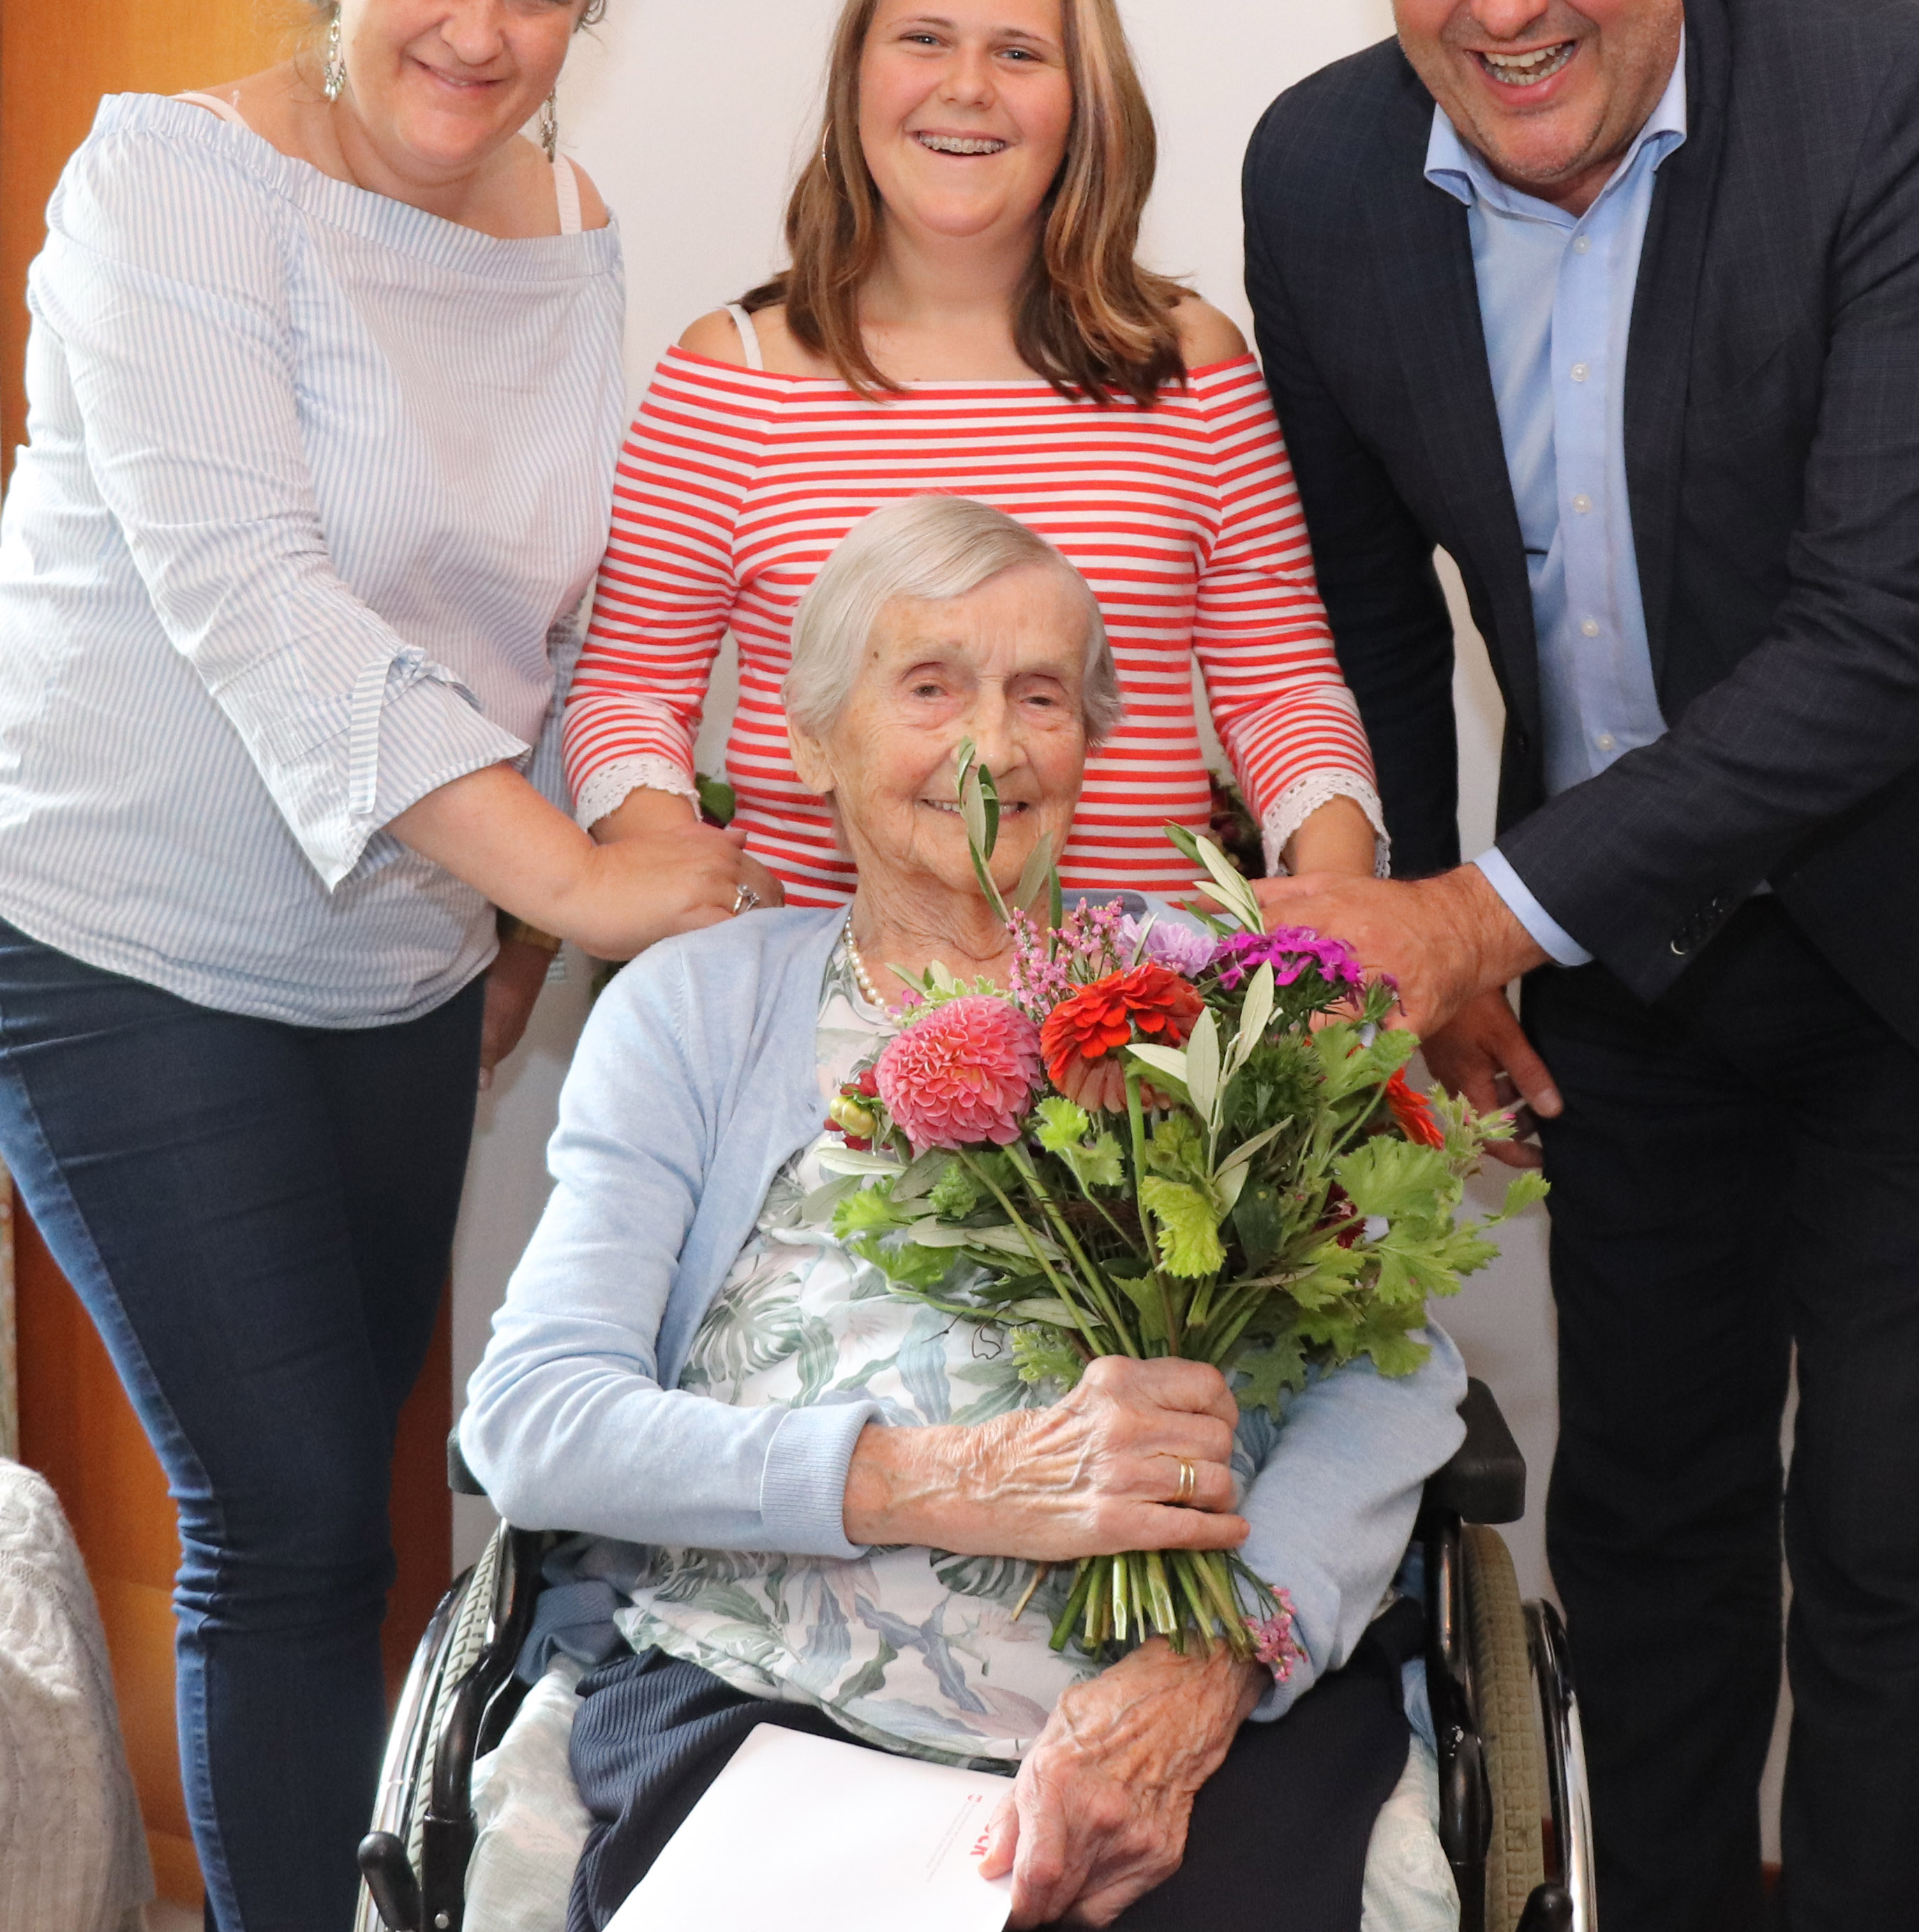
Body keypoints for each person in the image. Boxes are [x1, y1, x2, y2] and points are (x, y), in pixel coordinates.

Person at [1240, 0, 1919, 1931]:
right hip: (1624, 952)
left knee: (1894, 1537)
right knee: (1647, 1518)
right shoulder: (1318, 168)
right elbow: (1364, 606)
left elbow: (1878, 642)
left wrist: (1480, 913)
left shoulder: (1891, 100)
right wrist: (1429, 939)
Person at [0, 0, 770, 1932]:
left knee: (372, 1499)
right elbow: (259, 594)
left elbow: (546, 604)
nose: (479, 31)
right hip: (106, 921)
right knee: (284, 1518)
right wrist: (570, 879)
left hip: (391, 952)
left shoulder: (565, 228)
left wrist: (516, 931)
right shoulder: (174, 182)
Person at [463, 497, 1465, 1932]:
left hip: (1177, 1701)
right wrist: (941, 1478)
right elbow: (538, 1421)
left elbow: (1390, 1371)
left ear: (1089, 743)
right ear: (813, 739)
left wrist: (1212, 1663)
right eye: (929, 687)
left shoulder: (1217, 998)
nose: (991, 747)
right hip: (768, 1684)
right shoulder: (699, 1005)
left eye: (1040, 696)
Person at [561, 0, 1383, 907]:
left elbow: (1283, 691)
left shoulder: (1189, 366)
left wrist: (1339, 906)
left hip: (1134, 993)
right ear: (855, 75)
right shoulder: (734, 373)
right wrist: (703, 905)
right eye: (924, 40)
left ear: (1084, 100)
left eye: (1019, 53)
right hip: (815, 980)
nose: (966, 87)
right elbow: (628, 693)